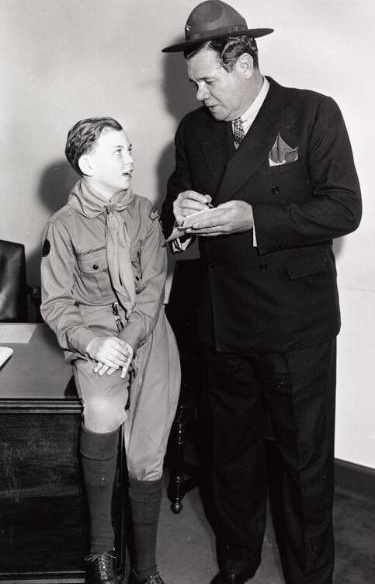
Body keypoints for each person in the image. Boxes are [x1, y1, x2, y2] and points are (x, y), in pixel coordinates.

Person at [161, 0, 362, 584]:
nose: (199, 94)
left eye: (207, 80)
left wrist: (255, 220)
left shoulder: (311, 113)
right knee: (232, 460)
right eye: (193, 82)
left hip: (294, 324)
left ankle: (308, 577)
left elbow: (343, 208)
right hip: (223, 322)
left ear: (244, 63)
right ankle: (236, 564)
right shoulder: (194, 131)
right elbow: (176, 205)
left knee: (303, 466)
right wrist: (179, 210)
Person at [40, 117, 181, 584]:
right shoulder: (62, 226)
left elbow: (153, 284)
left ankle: (146, 569)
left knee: (147, 456)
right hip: (97, 336)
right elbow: (57, 303)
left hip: (148, 332)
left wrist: (130, 338)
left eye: (131, 149)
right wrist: (94, 342)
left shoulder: (144, 213)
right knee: (100, 410)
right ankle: (100, 551)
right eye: (118, 152)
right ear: (86, 163)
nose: (131, 160)